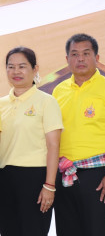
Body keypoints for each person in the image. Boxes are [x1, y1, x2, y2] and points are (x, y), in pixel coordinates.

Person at [52, 33, 105, 236]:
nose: (80, 59)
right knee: (67, 231)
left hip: (99, 175)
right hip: (64, 172)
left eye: (86, 53)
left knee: (97, 230)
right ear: (66, 59)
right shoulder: (59, 91)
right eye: (74, 54)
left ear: (97, 58)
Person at [0, 47, 63, 236]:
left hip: (36, 179)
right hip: (5, 179)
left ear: (35, 69)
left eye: (22, 66)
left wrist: (49, 186)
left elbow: (54, 146)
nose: (16, 72)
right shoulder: (1, 104)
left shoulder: (47, 102)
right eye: (11, 67)